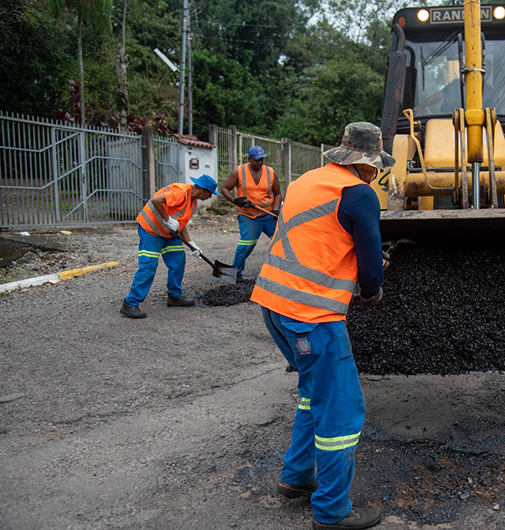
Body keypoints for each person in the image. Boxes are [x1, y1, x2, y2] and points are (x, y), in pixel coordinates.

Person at [250, 122, 394, 530]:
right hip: (311, 318)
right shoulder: (360, 194)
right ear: (367, 165)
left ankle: (296, 478)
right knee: (343, 413)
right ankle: (331, 511)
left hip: (273, 305)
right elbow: (370, 272)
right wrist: (371, 290)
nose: (374, 175)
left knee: (314, 394)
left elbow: (315, 239)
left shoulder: (305, 182)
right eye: (375, 168)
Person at [120, 174, 220, 319]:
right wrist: (167, 219)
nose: (210, 197)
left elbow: (180, 224)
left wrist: (191, 244)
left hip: (168, 233)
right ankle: (130, 303)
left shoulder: (193, 202)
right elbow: (156, 200)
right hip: (151, 229)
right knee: (149, 265)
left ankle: (174, 297)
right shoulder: (181, 193)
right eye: (210, 193)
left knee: (178, 260)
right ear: (203, 190)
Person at [221, 146, 282, 279]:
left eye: (262, 160)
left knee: (280, 241)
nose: (260, 162)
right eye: (256, 160)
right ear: (249, 159)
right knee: (246, 244)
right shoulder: (239, 172)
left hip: (268, 214)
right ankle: (235, 273)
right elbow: (225, 188)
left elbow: (277, 194)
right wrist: (235, 200)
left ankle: (283, 270)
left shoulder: (270, 172)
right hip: (248, 215)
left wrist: (276, 210)